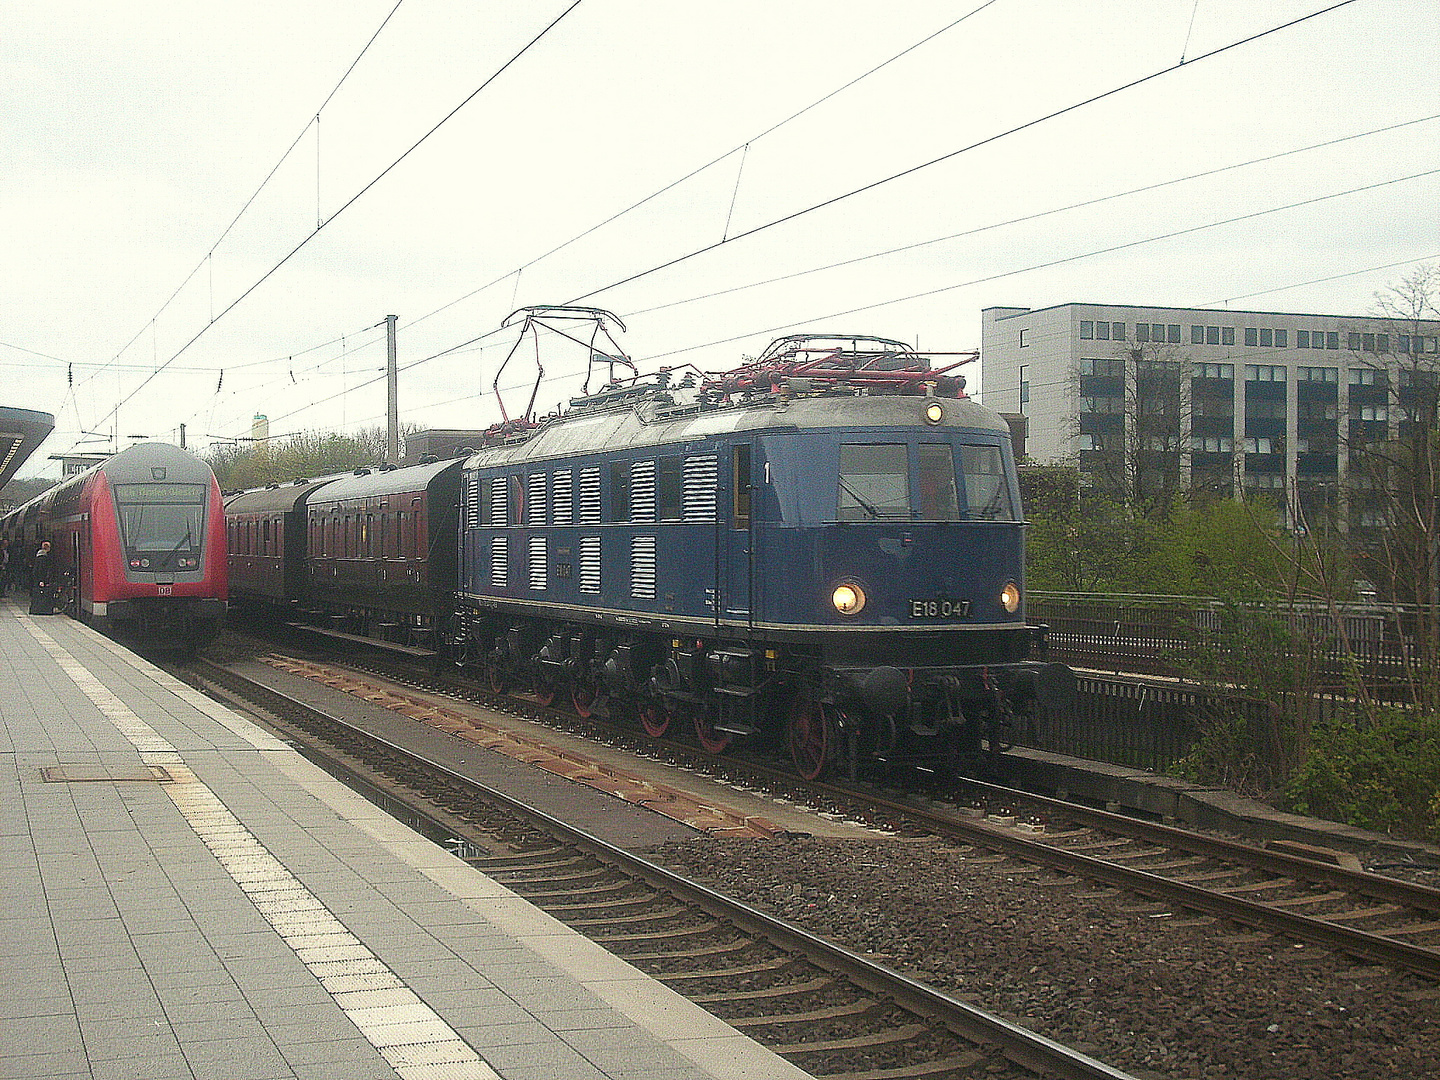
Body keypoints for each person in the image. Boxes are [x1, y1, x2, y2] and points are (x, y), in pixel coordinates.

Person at [29, 539, 56, 615]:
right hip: (41, 580)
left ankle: (37, 609)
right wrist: (41, 580)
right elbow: (41, 570)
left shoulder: (39, 556)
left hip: (38, 580)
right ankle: (42, 609)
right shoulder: (43, 558)